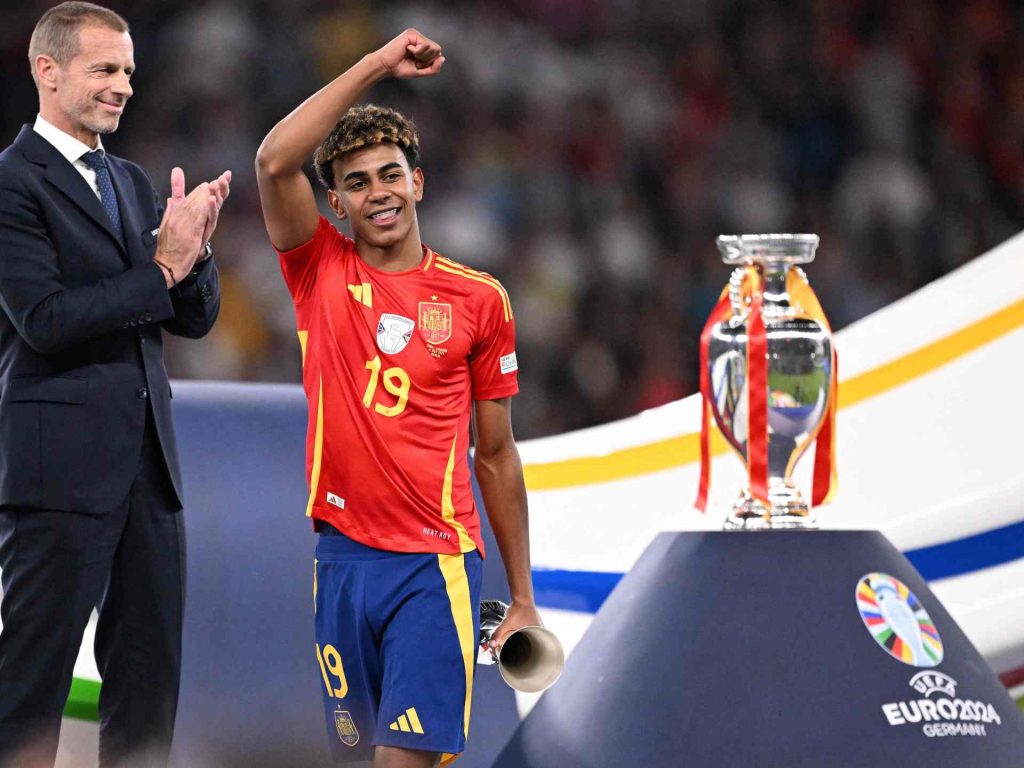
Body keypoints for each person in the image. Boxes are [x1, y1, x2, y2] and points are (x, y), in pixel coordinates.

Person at [255, 28, 541, 768]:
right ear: (336, 203)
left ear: (419, 182)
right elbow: (275, 159)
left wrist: (521, 596)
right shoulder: (317, 267)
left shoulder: (479, 300)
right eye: (356, 183)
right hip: (340, 561)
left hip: (433, 564)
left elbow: (496, 454)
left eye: (390, 174)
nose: (378, 191)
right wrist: (379, 64)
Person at [0, 3, 231, 766]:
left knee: (147, 684)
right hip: (58, 473)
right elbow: (45, 319)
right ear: (48, 70)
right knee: (30, 685)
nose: (124, 85)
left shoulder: (129, 181)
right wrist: (160, 268)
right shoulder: (11, 183)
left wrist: (195, 256)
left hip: (149, 472)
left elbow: (190, 319)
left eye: (128, 70)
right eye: (105, 68)